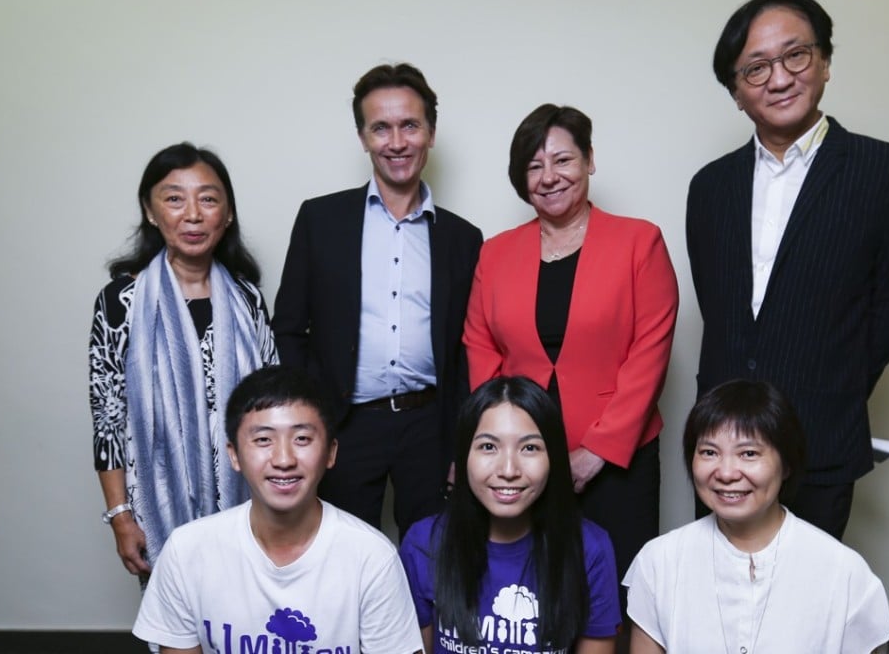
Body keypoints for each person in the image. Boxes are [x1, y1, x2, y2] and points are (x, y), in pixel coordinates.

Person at [686, 0, 889, 539]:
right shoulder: (710, 186)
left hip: (822, 433)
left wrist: (833, 389)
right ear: (736, 92)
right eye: (756, 68)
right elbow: (721, 311)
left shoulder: (885, 173)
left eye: (796, 55)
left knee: (808, 610)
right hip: (721, 444)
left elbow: (888, 311)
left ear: (824, 63)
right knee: (719, 604)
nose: (779, 77)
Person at [462, 104, 678, 585]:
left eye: (562, 160)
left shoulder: (639, 242)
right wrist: (503, 441)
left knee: (618, 589)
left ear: (590, 160)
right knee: (530, 587)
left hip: (620, 455)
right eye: (534, 166)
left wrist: (598, 450)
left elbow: (650, 352)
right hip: (520, 455)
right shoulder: (495, 253)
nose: (549, 176)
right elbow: (480, 346)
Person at [273, 62, 483, 538]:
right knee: (340, 558)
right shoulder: (320, 220)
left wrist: (463, 443)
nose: (396, 142)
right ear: (363, 137)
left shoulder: (462, 238)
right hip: (345, 425)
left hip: (431, 428)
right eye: (380, 128)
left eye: (410, 125)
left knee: (432, 560)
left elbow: (470, 347)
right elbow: (287, 327)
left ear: (431, 132)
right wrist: (314, 419)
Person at [132, 365, 424, 654]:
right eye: (263, 440)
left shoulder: (372, 557)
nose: (283, 459)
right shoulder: (187, 551)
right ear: (234, 455)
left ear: (331, 453)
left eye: (302, 439)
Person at [90, 142, 277, 579]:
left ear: (227, 214)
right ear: (151, 212)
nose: (193, 214)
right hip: (158, 502)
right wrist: (120, 516)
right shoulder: (121, 302)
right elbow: (108, 420)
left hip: (249, 502)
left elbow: (273, 404)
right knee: (179, 633)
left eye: (208, 199)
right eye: (174, 198)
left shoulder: (247, 299)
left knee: (248, 626)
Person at [624, 379, 889, 653]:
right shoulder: (660, 561)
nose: (726, 473)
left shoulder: (844, 573)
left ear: (786, 463)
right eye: (709, 452)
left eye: (748, 453)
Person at [400, 376, 620, 654]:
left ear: (553, 458)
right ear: (463, 457)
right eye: (488, 447)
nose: (508, 469)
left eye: (529, 448)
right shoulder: (424, 543)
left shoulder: (590, 548)